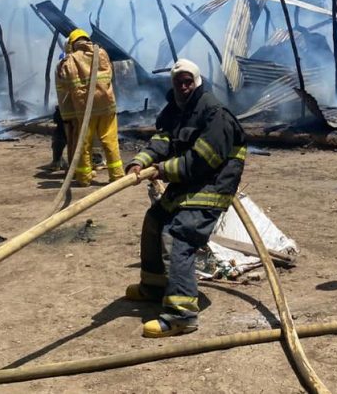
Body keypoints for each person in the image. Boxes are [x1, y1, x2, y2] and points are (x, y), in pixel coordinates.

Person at [124, 59, 247, 337]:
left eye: (188, 80)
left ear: (198, 81)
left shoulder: (214, 113)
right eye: (179, 81)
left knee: (180, 233)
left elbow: (202, 160)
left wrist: (162, 170)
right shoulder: (176, 109)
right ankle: (154, 287)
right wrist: (140, 161)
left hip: (212, 187)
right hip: (189, 185)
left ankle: (182, 316)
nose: (183, 86)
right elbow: (163, 141)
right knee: (155, 220)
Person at [55, 28, 124, 186]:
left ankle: (84, 179)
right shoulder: (101, 53)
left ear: (73, 44)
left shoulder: (71, 60)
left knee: (84, 143)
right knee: (110, 140)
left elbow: (65, 83)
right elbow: (109, 74)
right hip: (107, 105)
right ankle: (117, 176)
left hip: (85, 109)